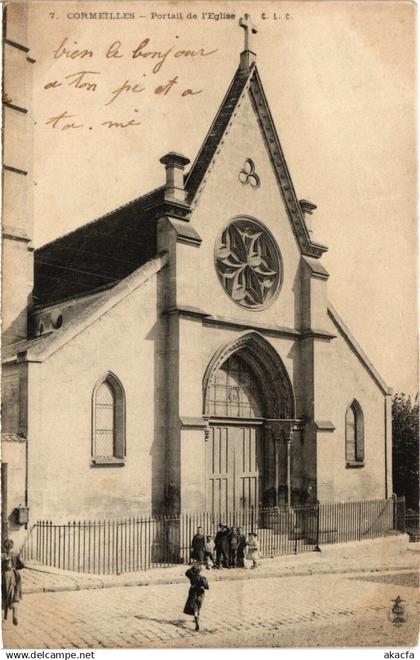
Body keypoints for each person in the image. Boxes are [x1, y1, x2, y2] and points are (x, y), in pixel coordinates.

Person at [2, 539, 24, 625]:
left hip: (4, 576)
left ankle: (3, 617)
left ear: (4, 546)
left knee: (4, 594)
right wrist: (15, 567)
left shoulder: (2, 555)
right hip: (14, 575)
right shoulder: (15, 554)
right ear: (12, 546)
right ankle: (15, 615)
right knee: (15, 594)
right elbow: (23, 565)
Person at [183, 563, 209, 631]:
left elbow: (187, 572)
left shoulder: (192, 576)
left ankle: (196, 619)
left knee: (195, 607)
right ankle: (197, 617)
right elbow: (206, 586)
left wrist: (194, 567)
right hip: (200, 593)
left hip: (193, 593)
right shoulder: (202, 578)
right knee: (198, 605)